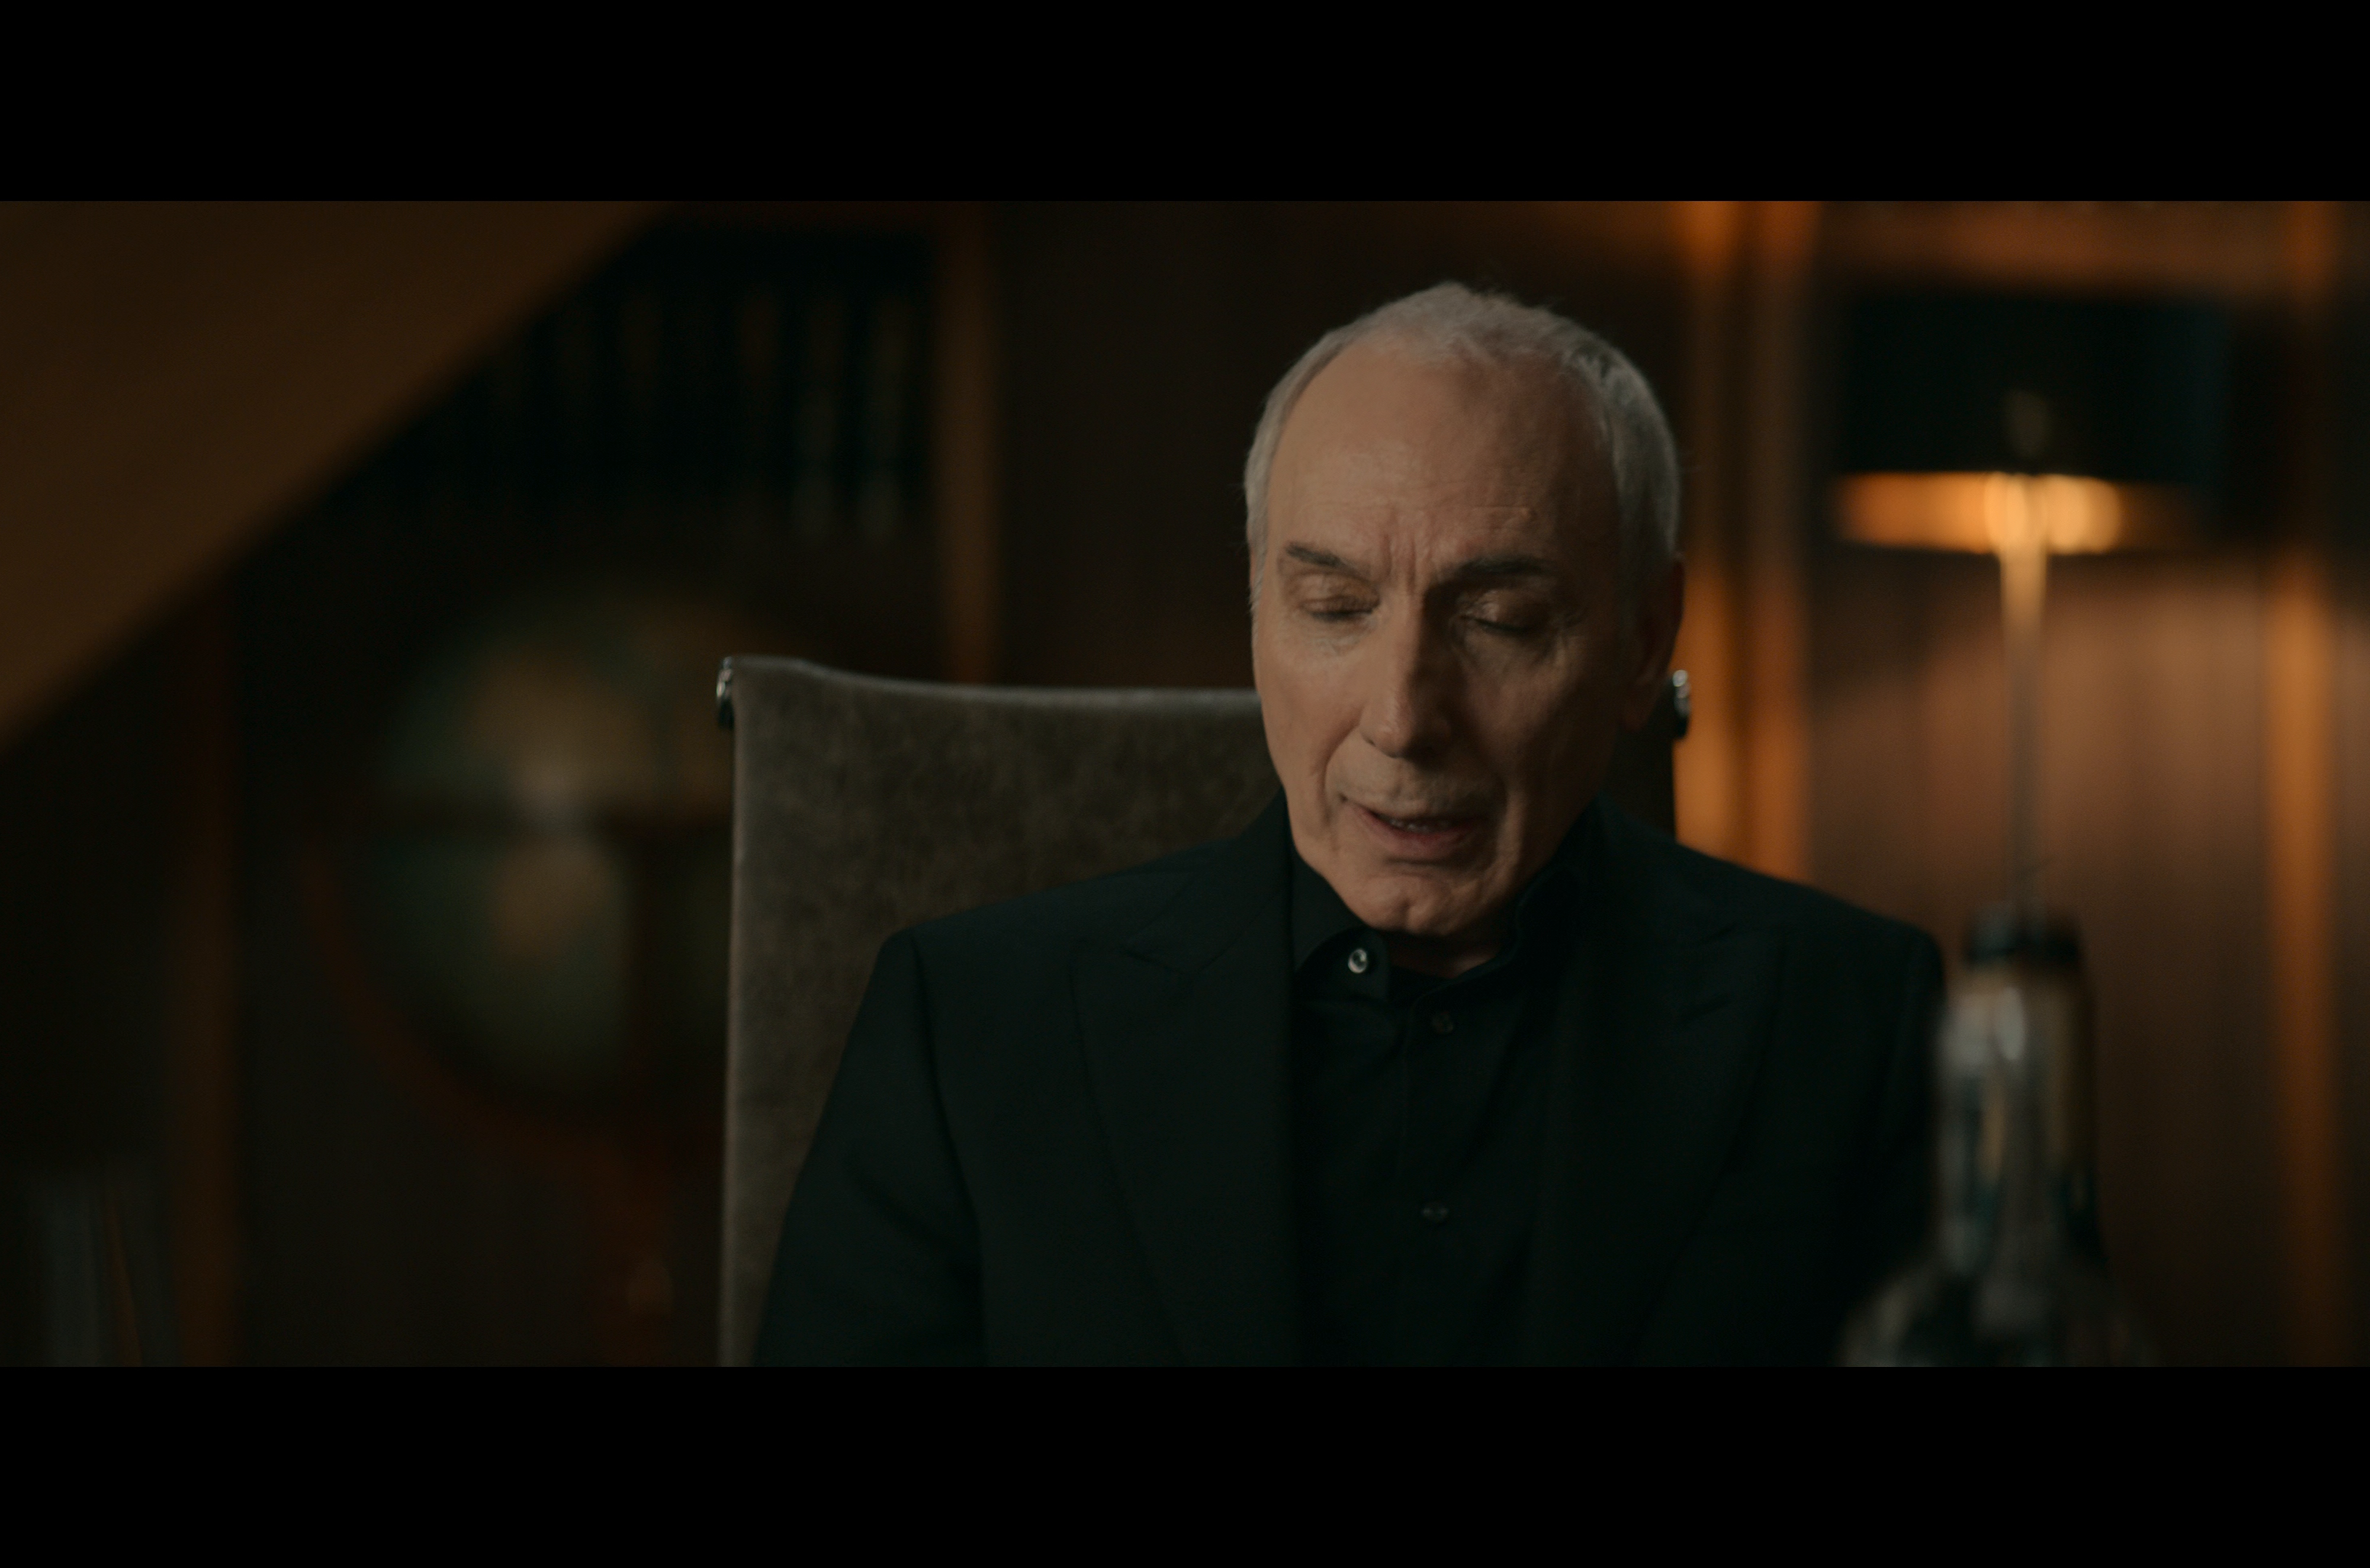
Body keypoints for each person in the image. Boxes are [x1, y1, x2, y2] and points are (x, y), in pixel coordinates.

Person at [757, 284, 1941, 1365]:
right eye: (1334, 607)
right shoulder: (969, 1030)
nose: (1402, 720)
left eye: (1500, 620)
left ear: (1642, 641)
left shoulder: (1860, 1026)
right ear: (1258, 609)